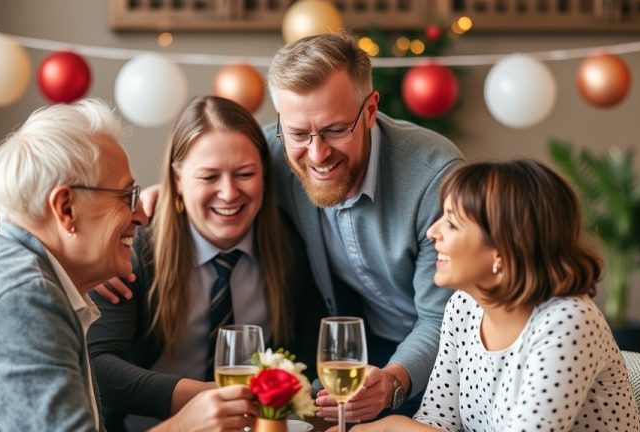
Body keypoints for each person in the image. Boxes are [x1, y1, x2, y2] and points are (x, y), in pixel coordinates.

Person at [102, 32, 463, 423]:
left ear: (371, 110)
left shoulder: (434, 178)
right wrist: (166, 198)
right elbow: (218, 159)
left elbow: (440, 319)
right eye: (298, 133)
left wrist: (393, 381)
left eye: (335, 129)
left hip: (430, 363)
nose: (317, 154)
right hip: (356, 353)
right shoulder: (273, 156)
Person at [0, 99, 256, 432]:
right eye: (126, 196)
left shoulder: (22, 274)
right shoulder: (19, 297)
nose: (142, 214)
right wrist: (183, 425)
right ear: (66, 208)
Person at [336, 160, 640, 431]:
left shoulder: (569, 321)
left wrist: (391, 426)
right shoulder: (464, 306)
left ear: (504, 249)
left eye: (452, 223)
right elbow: (436, 421)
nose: (432, 232)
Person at [87, 95, 325, 431]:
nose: (229, 193)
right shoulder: (133, 251)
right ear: (178, 180)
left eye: (244, 173)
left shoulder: (289, 247)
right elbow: (97, 367)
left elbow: (308, 359)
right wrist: (202, 398)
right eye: (209, 177)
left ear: (264, 176)